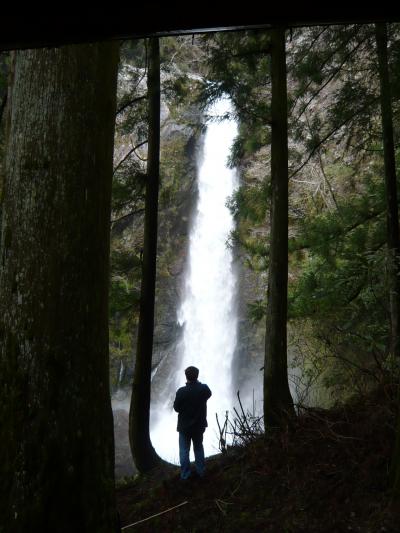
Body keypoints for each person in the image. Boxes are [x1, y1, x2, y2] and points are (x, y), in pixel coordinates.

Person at [173, 366, 212, 480]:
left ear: (186, 376)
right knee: (199, 448)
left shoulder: (181, 391)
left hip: (184, 427)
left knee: (184, 450)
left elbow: (176, 408)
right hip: (199, 425)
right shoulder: (204, 389)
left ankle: (185, 475)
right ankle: (201, 472)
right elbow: (208, 395)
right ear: (197, 375)